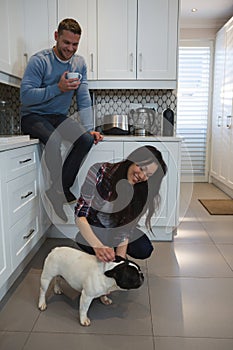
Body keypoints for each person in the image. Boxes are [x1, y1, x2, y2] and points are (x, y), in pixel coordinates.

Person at [20, 18, 103, 222]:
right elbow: (25, 96)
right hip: (32, 116)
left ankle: (58, 190)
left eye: (75, 44)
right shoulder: (39, 61)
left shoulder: (79, 63)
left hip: (59, 117)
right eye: (66, 43)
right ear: (56, 37)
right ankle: (59, 192)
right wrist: (58, 88)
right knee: (54, 139)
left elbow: (83, 98)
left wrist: (89, 129)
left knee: (85, 140)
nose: (70, 48)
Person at [75, 145, 167, 262]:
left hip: (117, 230)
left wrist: (120, 261)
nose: (142, 176)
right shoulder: (100, 171)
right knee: (83, 238)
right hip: (98, 227)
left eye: (148, 175)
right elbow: (80, 214)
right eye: (142, 168)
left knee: (144, 248)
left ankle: (110, 252)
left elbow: (126, 228)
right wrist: (98, 247)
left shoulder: (141, 190)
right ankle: (103, 250)